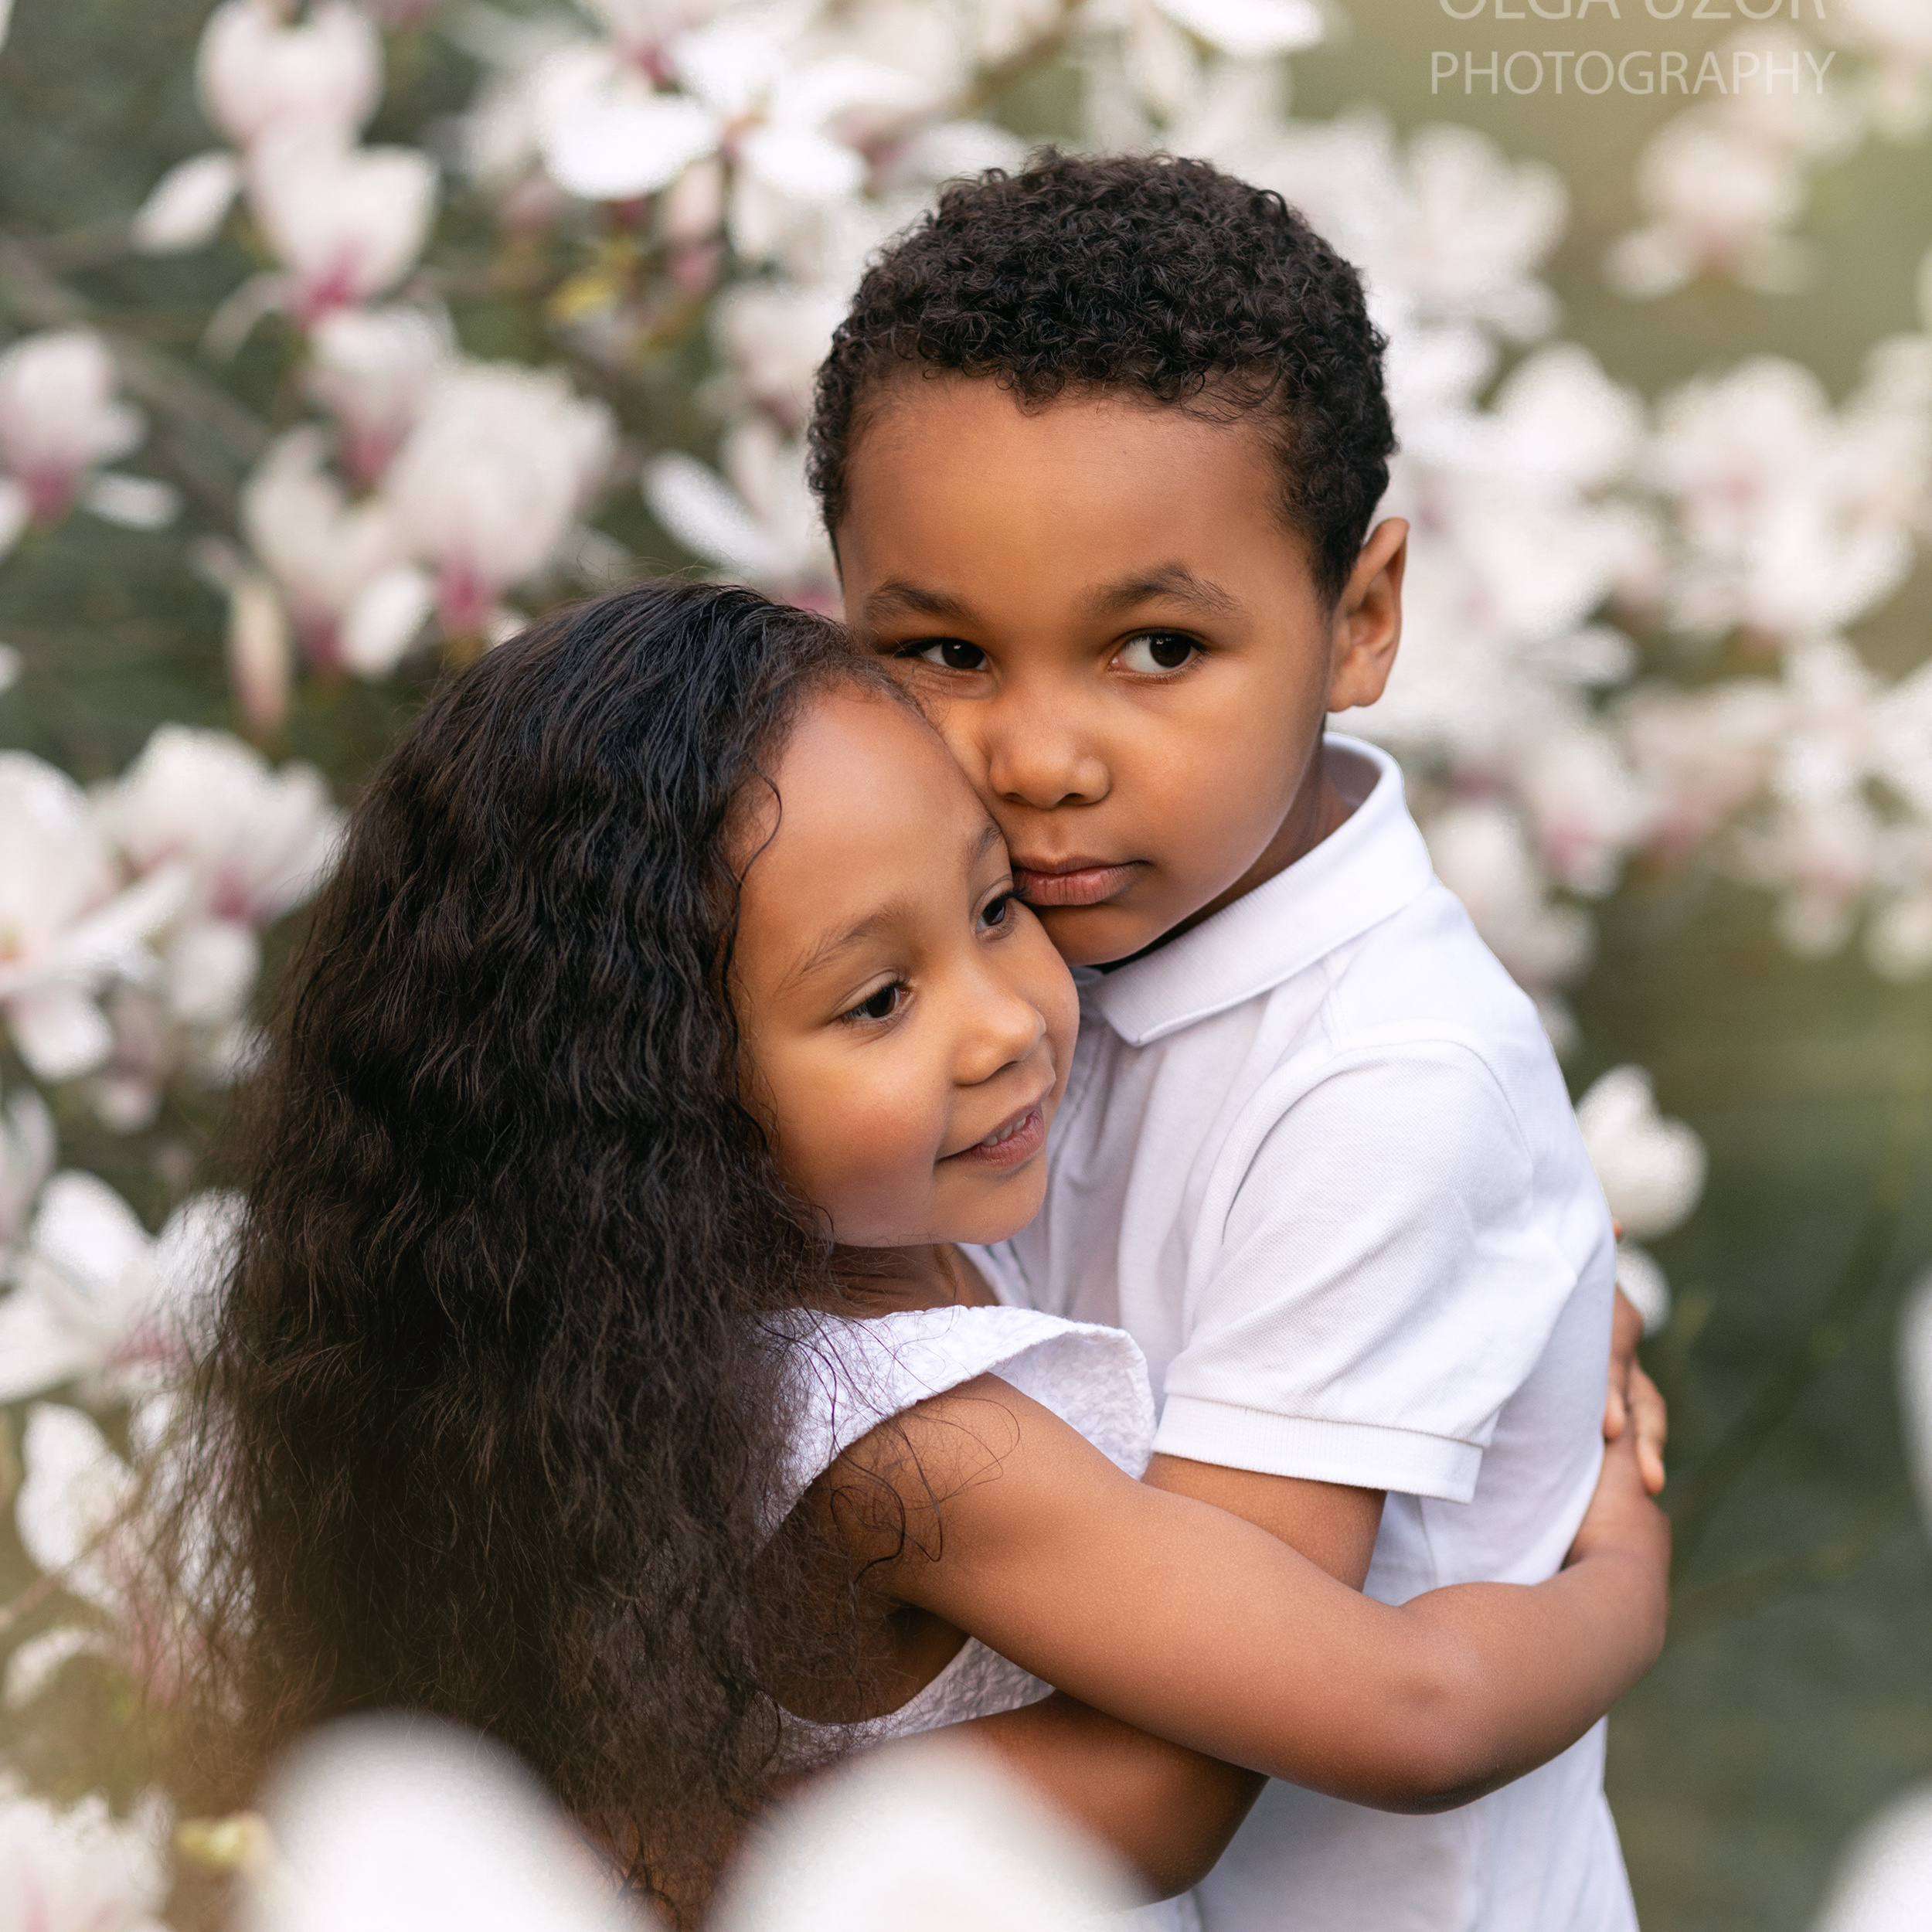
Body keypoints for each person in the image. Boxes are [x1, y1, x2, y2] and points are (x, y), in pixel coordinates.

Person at [153, 583, 1666, 1930]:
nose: (1005, 1015)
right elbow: (1406, 1712)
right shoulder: (911, 1445)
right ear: (663, 1096)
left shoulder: (647, 1358)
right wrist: (1612, 1559)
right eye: (876, 999)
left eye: (994, 903)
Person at [811, 150, 1662, 1930]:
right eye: (945, 649)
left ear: (1359, 617)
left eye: (1155, 645)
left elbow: (1159, 1768)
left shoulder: (1379, 1085)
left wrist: (613, 1852)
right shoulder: (953, 939)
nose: (1037, 755)